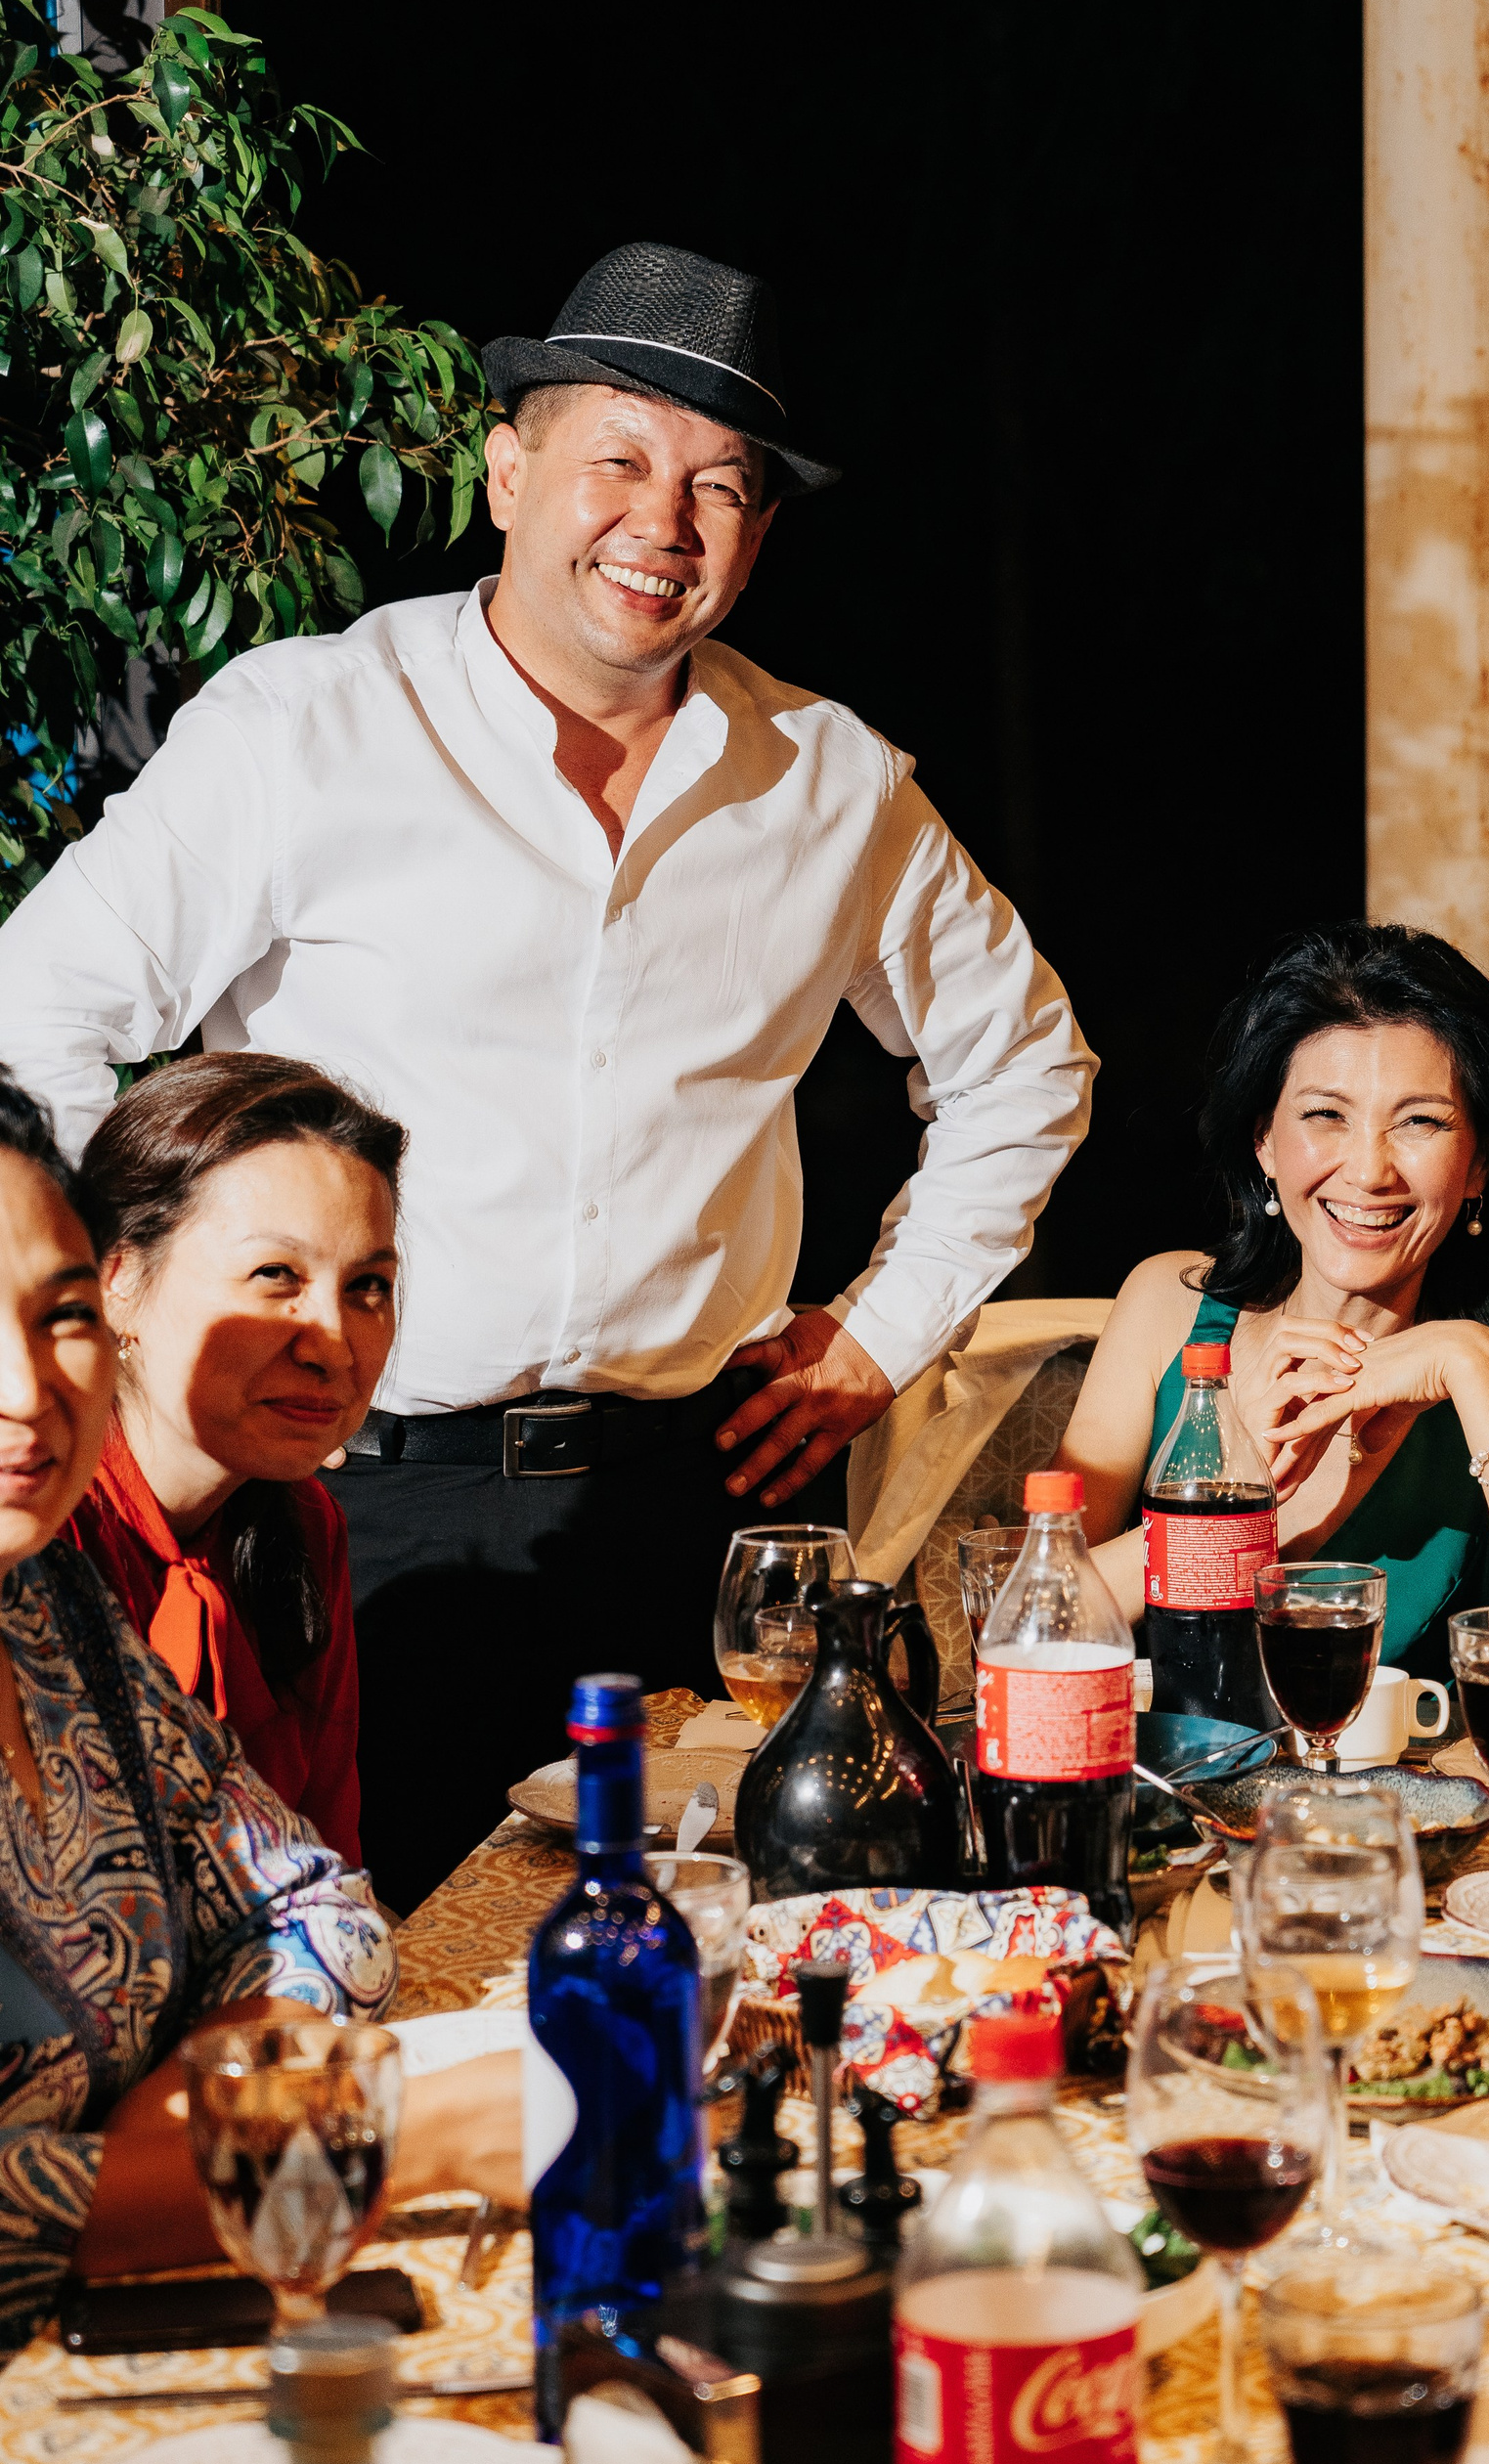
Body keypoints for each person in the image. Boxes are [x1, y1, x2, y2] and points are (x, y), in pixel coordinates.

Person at [0, 241, 1095, 1907]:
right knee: (338, 1961)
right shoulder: (308, 726)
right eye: (620, 459)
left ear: (759, 534)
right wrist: (152, 1316)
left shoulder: (829, 781)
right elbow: (34, 1012)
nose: (665, 521)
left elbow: (1026, 1065)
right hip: (354, 1507)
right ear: (508, 473)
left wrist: (884, 1332)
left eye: (721, 486)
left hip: (694, 1516)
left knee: (715, 1957)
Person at [0, 1071, 518, 2352]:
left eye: (50, 1317)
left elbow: (313, 1900)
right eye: (274, 1277)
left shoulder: (50, 1610)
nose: (24, 1382)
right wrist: (391, 2140)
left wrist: (199, 2126)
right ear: (129, 1284)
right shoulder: (72, 1541)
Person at [1057, 922, 1489, 1689]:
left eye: (1420, 1121)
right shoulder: (1167, 1306)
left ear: (1479, 1163)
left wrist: (1472, 1361)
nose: (1369, 1170)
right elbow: (1029, 1621)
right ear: (1264, 1140)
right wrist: (1228, 1502)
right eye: (1326, 1115)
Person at [66, 1055, 404, 1865]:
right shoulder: (41, 1531)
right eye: (275, 1274)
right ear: (117, 1280)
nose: (333, 1345)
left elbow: (328, 1856)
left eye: (367, 1285)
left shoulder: (303, 1526)